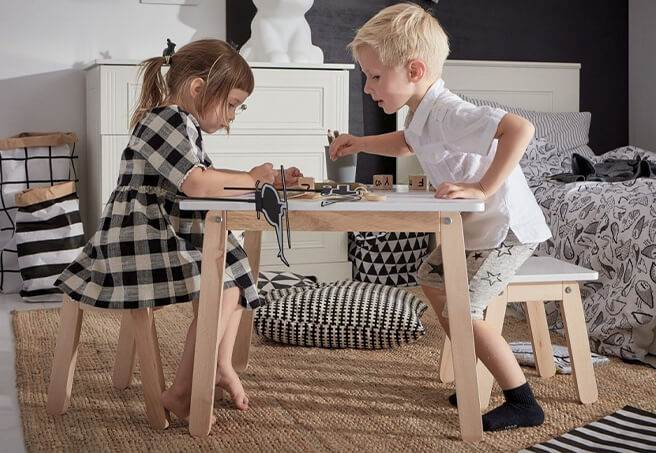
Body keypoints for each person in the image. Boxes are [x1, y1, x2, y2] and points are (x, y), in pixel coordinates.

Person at [329, 4, 551, 431]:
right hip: (476, 231)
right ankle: (474, 372)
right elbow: (407, 144)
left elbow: (520, 128)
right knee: (431, 280)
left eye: (374, 76)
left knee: (464, 311)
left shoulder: (450, 112)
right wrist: (360, 142)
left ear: (414, 69)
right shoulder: (422, 115)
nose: (366, 87)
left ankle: (523, 402)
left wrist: (483, 187)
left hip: (505, 229)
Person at [55, 39, 302, 424]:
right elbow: (197, 184)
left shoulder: (179, 123)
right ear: (198, 88)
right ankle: (184, 390)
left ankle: (218, 366)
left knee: (232, 269)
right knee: (224, 280)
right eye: (233, 104)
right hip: (138, 238)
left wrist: (257, 180)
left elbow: (205, 181)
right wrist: (253, 181)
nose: (234, 116)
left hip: (157, 231)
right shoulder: (167, 119)